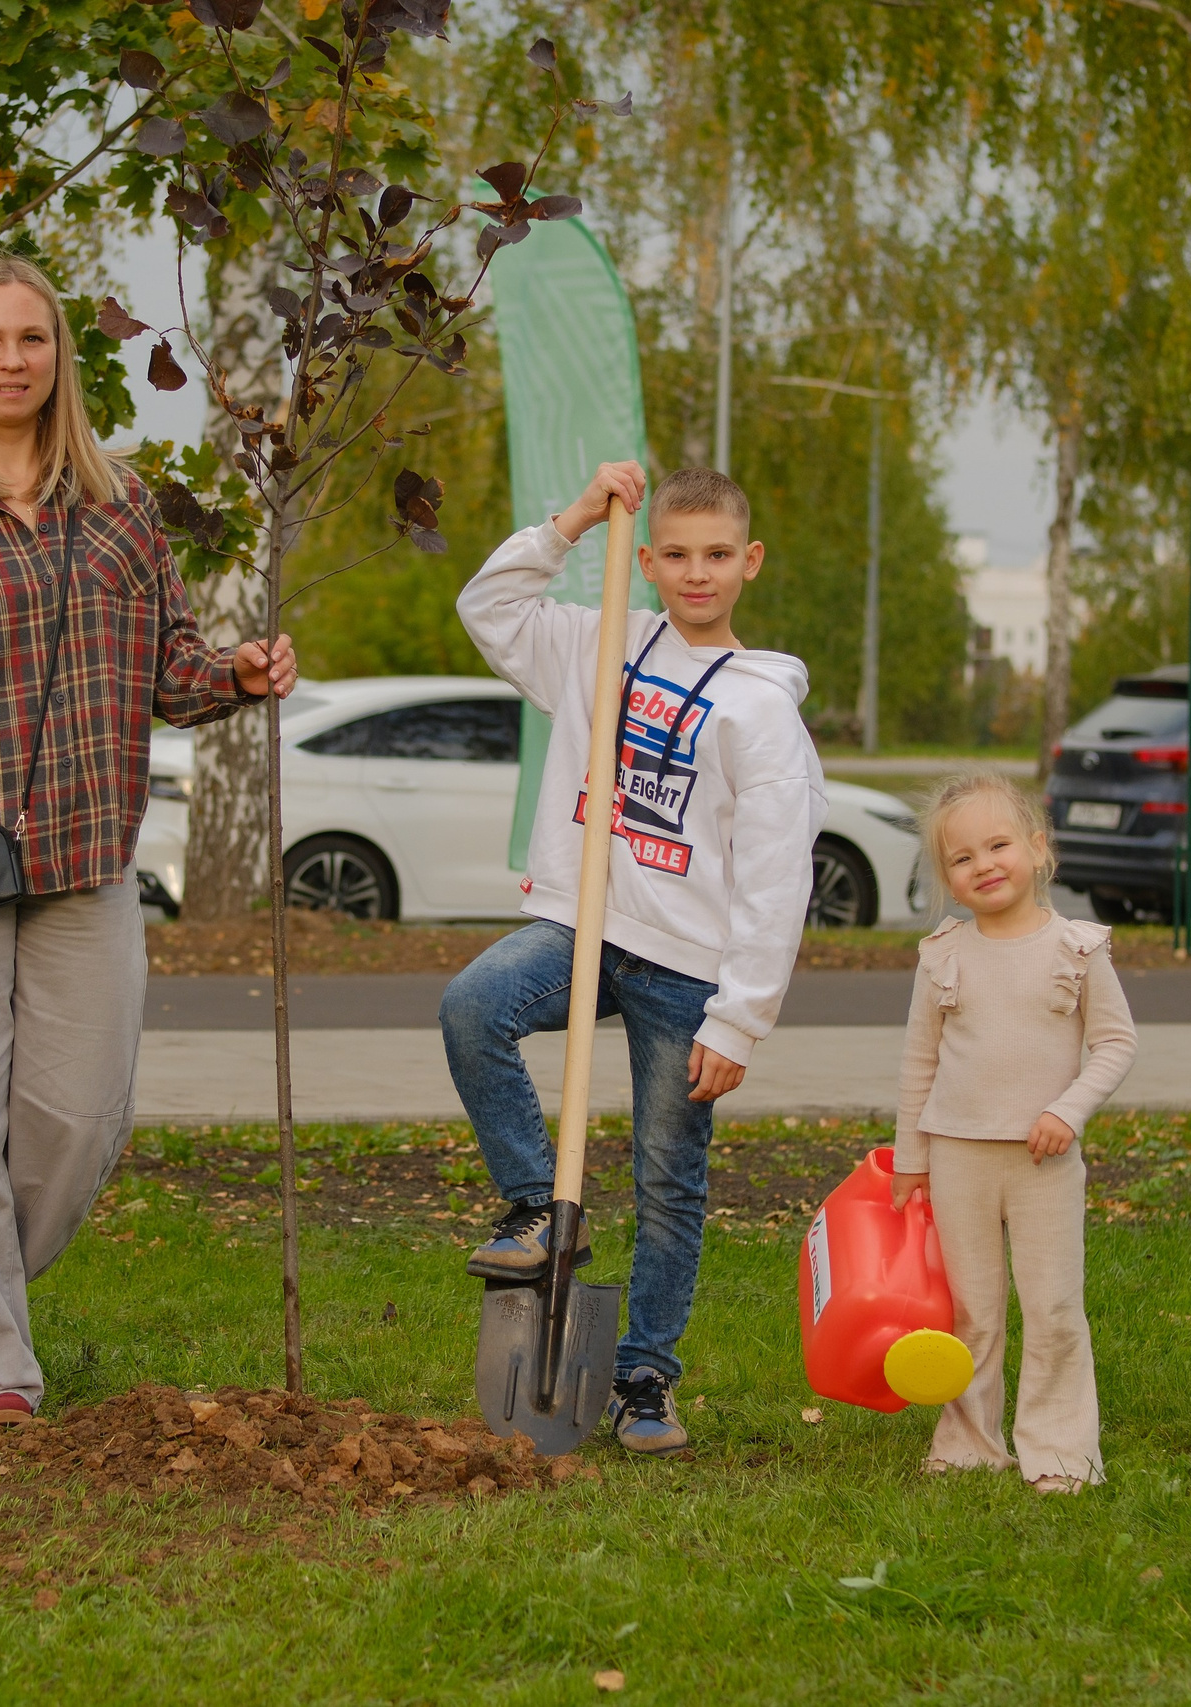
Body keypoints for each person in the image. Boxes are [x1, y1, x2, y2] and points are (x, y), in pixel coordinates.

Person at [0, 250, 296, 1430]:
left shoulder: (119, 505)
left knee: (80, 1122)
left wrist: (232, 674)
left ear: (60, 356)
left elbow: (168, 667)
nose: (11, 359)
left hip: (86, 858)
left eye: (32, 338)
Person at [440, 460, 827, 1456]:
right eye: (678, 555)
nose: (697, 574)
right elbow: (488, 606)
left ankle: (643, 1376)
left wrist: (739, 1016)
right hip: (582, 924)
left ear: (750, 562)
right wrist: (573, 520)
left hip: (686, 963)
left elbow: (777, 875)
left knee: (668, 1176)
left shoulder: (760, 710)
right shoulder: (599, 638)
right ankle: (539, 1207)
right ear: (646, 561)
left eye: (717, 555)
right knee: (473, 1006)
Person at [889, 773, 1136, 1492]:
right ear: (948, 879)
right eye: (962, 858)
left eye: (998, 845)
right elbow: (919, 1063)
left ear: (1037, 847)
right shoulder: (943, 954)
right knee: (971, 1310)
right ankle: (968, 1442)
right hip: (957, 1157)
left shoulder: (1078, 949)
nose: (984, 865)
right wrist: (910, 1159)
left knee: (1053, 1307)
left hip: (1043, 1163)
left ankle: (1060, 1450)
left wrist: (1068, 1110)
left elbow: (1116, 1042)